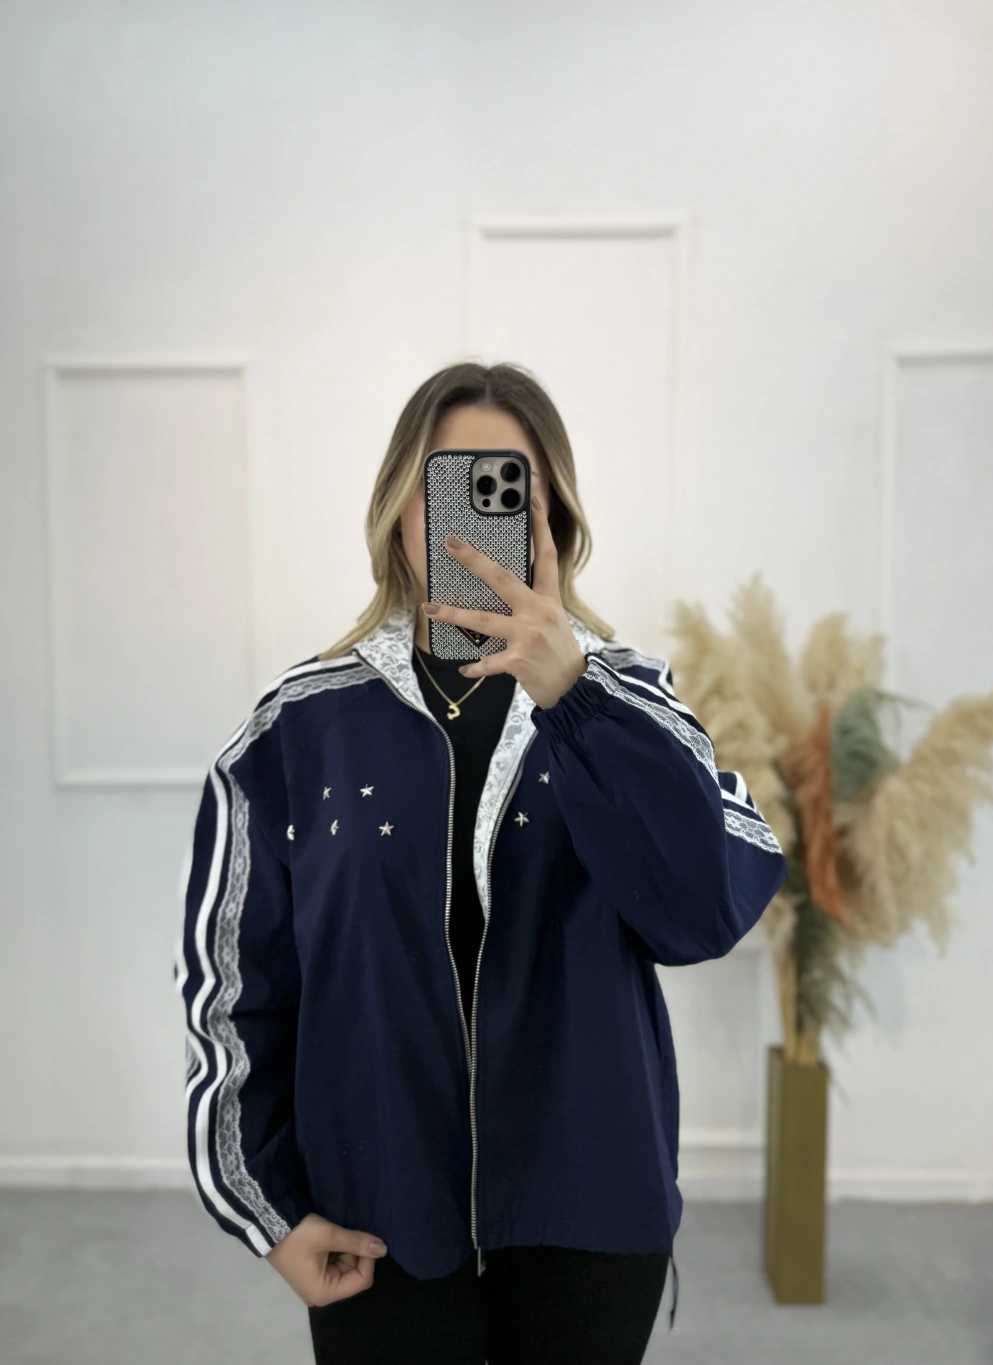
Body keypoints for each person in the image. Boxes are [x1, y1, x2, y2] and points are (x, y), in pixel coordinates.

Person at [174, 361, 789, 1364]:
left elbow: (704, 911)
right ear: (397, 511)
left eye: (506, 490)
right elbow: (234, 988)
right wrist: (267, 1212)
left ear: (553, 521)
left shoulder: (633, 701)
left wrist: (577, 698)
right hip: (376, 1222)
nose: (470, 526)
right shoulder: (297, 729)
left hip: (590, 1221)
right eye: (446, 487)